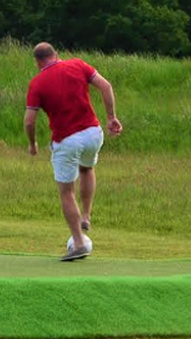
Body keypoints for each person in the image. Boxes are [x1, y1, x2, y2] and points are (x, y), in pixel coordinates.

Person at [24, 42, 123, 261]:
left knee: (66, 191)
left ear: (38, 61)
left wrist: (32, 144)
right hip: (93, 133)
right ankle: (86, 215)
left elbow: (30, 121)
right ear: (56, 55)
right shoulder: (77, 64)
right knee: (87, 169)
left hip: (66, 140)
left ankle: (78, 243)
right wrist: (111, 117)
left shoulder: (37, 83)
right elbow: (105, 86)